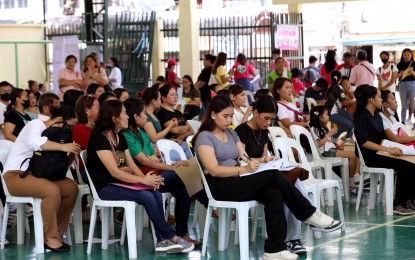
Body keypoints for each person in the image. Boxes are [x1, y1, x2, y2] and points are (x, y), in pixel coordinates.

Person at [193, 95, 343, 260]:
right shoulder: (204, 137)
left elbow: (244, 158)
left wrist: (262, 161)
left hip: (237, 180)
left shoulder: (231, 134)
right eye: (225, 116)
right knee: (272, 176)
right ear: (213, 115)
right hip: (219, 186)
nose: (230, 120)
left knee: (274, 193)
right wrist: (244, 169)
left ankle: (274, 249)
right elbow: (213, 170)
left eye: (231, 116)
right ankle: (308, 213)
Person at [86, 100, 194, 253]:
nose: (127, 117)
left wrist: (148, 181)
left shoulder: (119, 138)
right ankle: (172, 237)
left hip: (120, 183)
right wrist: (143, 180)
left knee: (154, 192)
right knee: (147, 197)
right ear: (115, 119)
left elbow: (132, 166)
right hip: (105, 188)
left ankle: (162, 241)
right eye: (124, 113)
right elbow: (114, 172)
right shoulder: (100, 139)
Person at [235, 95, 316, 255]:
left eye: (271, 120)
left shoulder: (264, 131)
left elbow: (264, 156)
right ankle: (305, 220)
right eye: (265, 118)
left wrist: (272, 161)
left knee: (291, 181)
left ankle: (294, 237)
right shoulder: (241, 131)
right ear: (255, 112)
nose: (268, 123)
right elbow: (242, 159)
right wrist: (264, 160)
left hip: (263, 173)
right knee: (287, 184)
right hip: (247, 174)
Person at [123, 98, 206, 245]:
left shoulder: (142, 133)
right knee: (182, 173)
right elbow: (144, 161)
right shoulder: (126, 136)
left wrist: (159, 161)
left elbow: (153, 158)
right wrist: (172, 167)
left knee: (183, 189)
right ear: (135, 117)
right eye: (143, 113)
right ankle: (208, 202)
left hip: (156, 173)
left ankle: (182, 233)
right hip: (145, 177)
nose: (146, 117)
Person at [3, 106, 80, 252]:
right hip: (15, 175)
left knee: (71, 188)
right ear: (59, 121)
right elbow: (34, 143)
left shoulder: (56, 137)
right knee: (51, 191)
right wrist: (63, 147)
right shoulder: (36, 124)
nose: (70, 130)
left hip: (37, 175)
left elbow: (60, 169)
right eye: (69, 126)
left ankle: (56, 231)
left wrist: (70, 154)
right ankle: (49, 237)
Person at [354, 85, 415, 215]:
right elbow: (364, 142)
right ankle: (397, 203)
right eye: (379, 97)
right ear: (371, 100)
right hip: (370, 156)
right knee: (404, 166)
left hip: (381, 152)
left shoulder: (376, 116)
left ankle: (409, 200)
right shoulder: (361, 117)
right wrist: (387, 150)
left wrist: (396, 148)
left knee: (410, 163)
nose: (381, 100)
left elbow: (382, 138)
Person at [309, 105, 361, 187]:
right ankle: (352, 179)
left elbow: (328, 142)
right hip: (325, 152)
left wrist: (337, 145)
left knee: (358, 151)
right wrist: (329, 135)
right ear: (320, 117)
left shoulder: (323, 127)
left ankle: (356, 174)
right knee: (353, 154)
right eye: (326, 115)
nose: (328, 117)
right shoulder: (314, 128)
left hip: (331, 149)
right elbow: (318, 144)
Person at [157, 85, 193, 159]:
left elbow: (191, 131)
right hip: (172, 145)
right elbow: (175, 130)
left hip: (184, 142)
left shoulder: (178, 112)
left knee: (196, 152)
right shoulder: (162, 113)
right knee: (190, 158)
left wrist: (181, 136)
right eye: (172, 95)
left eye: (176, 94)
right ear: (163, 98)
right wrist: (187, 127)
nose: (175, 97)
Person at [72, 94, 100, 183]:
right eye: (98, 107)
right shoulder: (79, 128)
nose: (101, 110)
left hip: (95, 168)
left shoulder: (95, 127)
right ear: (87, 110)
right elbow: (94, 153)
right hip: (86, 170)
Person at [325, 70, 355, 145]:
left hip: (332, 111)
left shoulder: (331, 86)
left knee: (352, 120)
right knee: (349, 124)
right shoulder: (338, 87)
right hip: (333, 113)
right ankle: (335, 137)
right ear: (340, 79)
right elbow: (344, 102)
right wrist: (354, 101)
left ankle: (348, 139)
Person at [396, 48, 415, 124]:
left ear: (411, 55)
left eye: (408, 55)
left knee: (413, 104)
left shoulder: (414, 64)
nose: (406, 56)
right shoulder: (399, 64)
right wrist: (400, 74)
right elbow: (396, 76)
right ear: (402, 55)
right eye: (405, 55)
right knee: (403, 104)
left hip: (412, 84)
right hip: (402, 84)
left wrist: (412, 71)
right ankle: (403, 121)